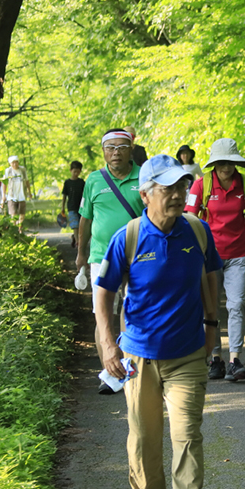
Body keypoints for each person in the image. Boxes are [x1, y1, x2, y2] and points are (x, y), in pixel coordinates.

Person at [95, 154, 222, 489]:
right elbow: (103, 294)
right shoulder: (129, 237)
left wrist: (213, 328)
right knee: (145, 434)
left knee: (187, 434)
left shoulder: (198, 232)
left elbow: (211, 279)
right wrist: (106, 344)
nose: (178, 195)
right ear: (146, 193)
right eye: (168, 188)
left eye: (182, 187)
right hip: (138, 356)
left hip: (186, 354)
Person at [185, 138, 245, 382]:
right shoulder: (201, 185)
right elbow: (190, 218)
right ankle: (216, 358)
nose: (226, 167)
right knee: (211, 307)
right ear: (214, 163)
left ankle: (235, 360)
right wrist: (191, 252)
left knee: (236, 304)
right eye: (221, 162)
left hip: (238, 254)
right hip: (210, 256)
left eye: (230, 162)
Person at [76, 129, 146, 394]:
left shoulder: (144, 176)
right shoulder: (94, 180)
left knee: (131, 312)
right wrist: (81, 254)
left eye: (121, 147)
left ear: (131, 149)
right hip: (100, 258)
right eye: (110, 147)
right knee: (102, 314)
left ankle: (128, 370)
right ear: (103, 151)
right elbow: (85, 219)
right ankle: (109, 372)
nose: (115, 152)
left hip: (138, 256)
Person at [3, 155, 32, 232]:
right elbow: (4, 183)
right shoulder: (8, 171)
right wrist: (3, 195)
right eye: (13, 163)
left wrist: (29, 192)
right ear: (10, 164)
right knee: (13, 214)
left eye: (16, 162)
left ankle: (20, 228)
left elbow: (27, 181)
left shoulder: (22, 170)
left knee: (22, 213)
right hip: (11, 196)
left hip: (22, 195)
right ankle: (15, 229)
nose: (15, 164)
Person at [61, 160, 85, 248]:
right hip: (71, 207)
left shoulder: (82, 182)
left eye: (78, 172)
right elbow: (64, 195)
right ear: (70, 170)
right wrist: (62, 207)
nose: (76, 173)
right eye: (74, 171)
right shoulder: (67, 183)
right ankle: (78, 243)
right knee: (75, 225)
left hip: (81, 207)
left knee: (81, 226)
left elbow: (85, 195)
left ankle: (75, 237)